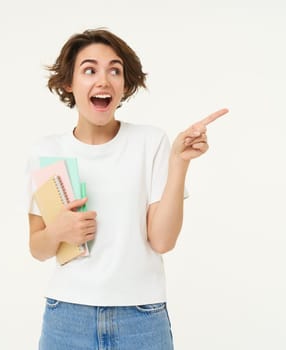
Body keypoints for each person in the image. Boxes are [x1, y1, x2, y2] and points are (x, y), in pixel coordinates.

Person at [25, 28, 228, 350]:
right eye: (89, 70)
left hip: (142, 316)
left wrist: (179, 162)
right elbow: (38, 248)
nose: (103, 80)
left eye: (115, 70)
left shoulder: (151, 142)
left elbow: (162, 240)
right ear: (68, 83)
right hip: (66, 316)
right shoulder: (46, 150)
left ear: (125, 84)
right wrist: (59, 231)